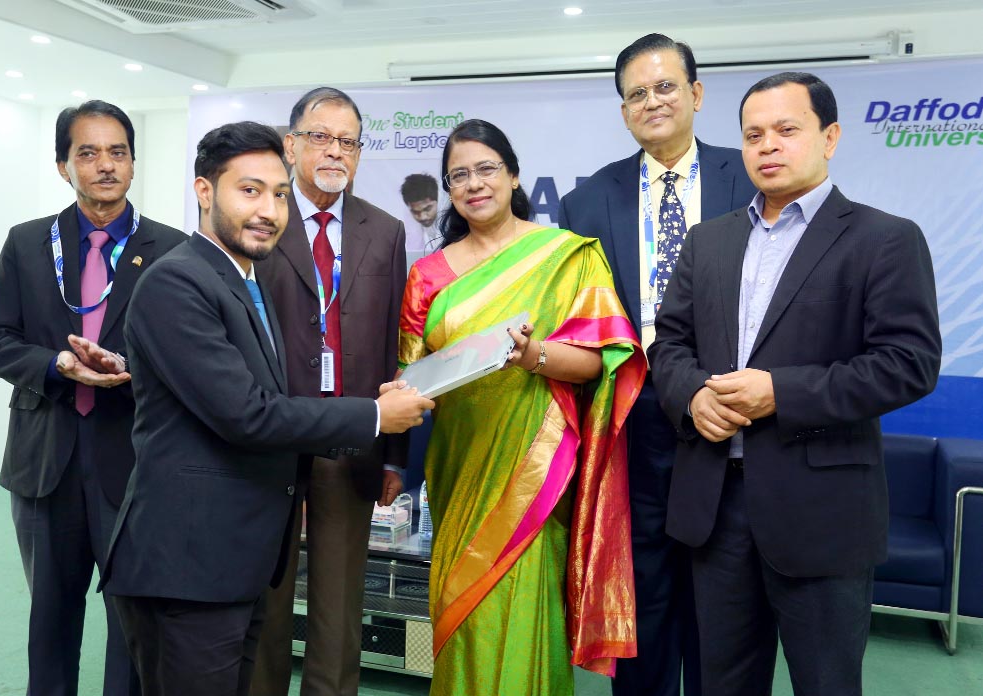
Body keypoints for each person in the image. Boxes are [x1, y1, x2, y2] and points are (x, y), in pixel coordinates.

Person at [99, 121, 434, 696]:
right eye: (248, 190)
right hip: (189, 565)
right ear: (205, 191)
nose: (269, 210)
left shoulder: (242, 281)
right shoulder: (177, 282)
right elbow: (249, 415)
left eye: (279, 194)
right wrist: (374, 418)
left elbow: (269, 404)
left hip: (239, 560)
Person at [648, 72, 942, 696]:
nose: (767, 146)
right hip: (714, 507)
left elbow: (908, 363)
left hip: (821, 512)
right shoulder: (709, 241)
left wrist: (782, 393)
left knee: (826, 683)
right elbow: (669, 345)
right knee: (721, 683)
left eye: (787, 130)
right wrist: (694, 395)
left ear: (829, 137)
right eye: (754, 134)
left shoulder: (883, 239)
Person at [399, 118, 645, 695]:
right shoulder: (427, 275)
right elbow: (411, 376)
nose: (473, 183)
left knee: (522, 609)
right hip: (459, 467)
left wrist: (533, 355)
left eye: (486, 169)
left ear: (513, 176)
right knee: (460, 613)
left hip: (537, 470)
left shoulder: (566, 256)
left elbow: (599, 364)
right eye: (458, 175)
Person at [558, 33, 757, 696]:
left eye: (665, 86)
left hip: (730, 411)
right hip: (633, 416)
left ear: (697, 95)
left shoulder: (752, 179)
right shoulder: (587, 203)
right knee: (642, 592)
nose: (652, 102)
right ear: (623, 111)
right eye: (636, 93)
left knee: (722, 597)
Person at [0, 100, 186, 696]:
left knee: (132, 625)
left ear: (133, 162)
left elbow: (187, 356)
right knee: (51, 619)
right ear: (62, 165)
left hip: (136, 461)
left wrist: (132, 370)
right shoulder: (26, 244)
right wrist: (57, 364)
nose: (104, 165)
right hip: (47, 463)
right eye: (87, 153)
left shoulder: (171, 249)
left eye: (117, 151)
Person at [251, 87, 408, 696]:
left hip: (353, 440)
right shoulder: (260, 218)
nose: (335, 151)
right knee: (267, 602)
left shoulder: (386, 230)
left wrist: (396, 451)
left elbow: (398, 343)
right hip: (271, 441)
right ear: (290, 144)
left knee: (339, 613)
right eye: (320, 136)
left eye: (348, 141)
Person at [400, 173, 443, 254]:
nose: (423, 217)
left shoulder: (447, 206)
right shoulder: (410, 207)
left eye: (427, 209)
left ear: (438, 199)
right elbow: (414, 249)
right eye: (416, 212)